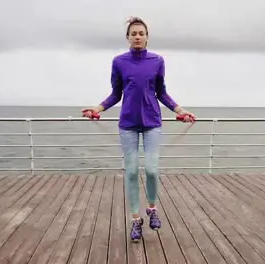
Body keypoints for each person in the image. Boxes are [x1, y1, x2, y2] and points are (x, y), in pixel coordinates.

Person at [82, 17, 196, 242]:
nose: (137, 37)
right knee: (132, 172)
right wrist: (98, 107)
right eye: (133, 33)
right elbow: (116, 93)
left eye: (141, 33)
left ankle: (152, 209)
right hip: (128, 125)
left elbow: (162, 92)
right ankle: (136, 219)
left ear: (147, 37)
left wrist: (180, 110)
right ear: (127, 37)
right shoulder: (119, 62)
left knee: (152, 169)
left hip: (152, 122)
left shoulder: (157, 61)